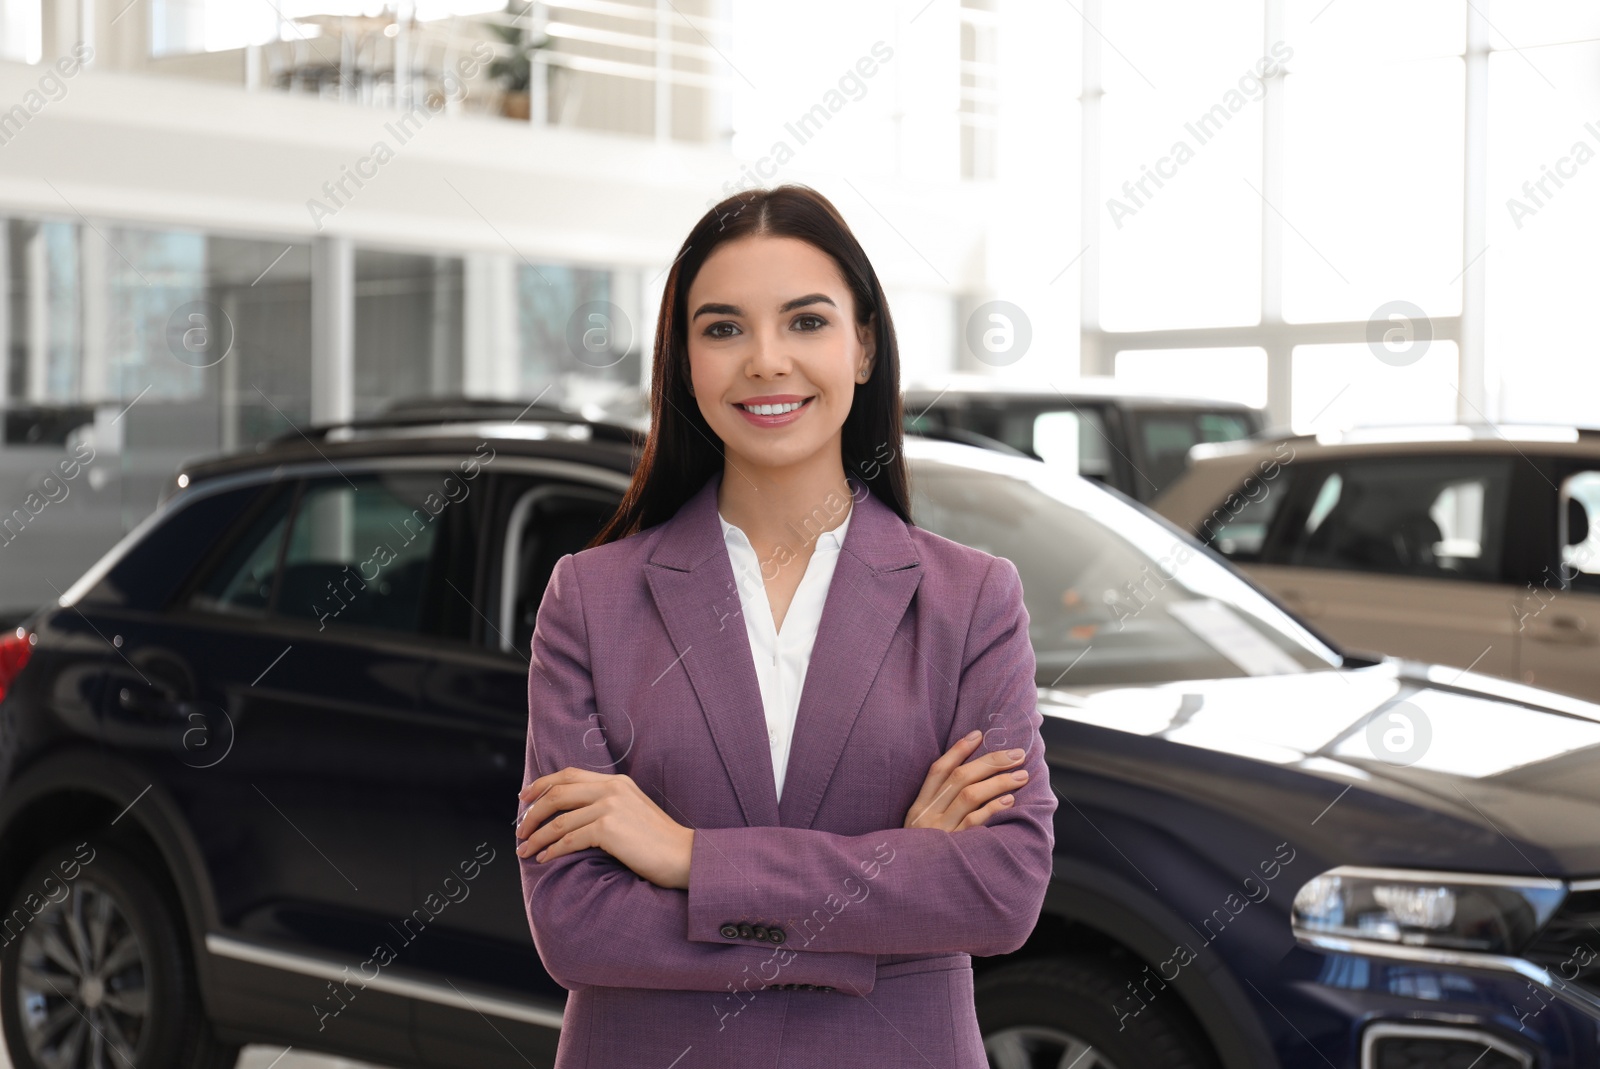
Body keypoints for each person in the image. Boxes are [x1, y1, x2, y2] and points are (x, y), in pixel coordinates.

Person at [513, 183, 1055, 1067]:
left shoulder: (971, 599)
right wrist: (889, 892)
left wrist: (689, 857)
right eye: (723, 328)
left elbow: (1000, 891)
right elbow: (576, 924)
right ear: (685, 360)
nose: (767, 360)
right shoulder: (591, 598)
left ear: (865, 343)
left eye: (806, 322)